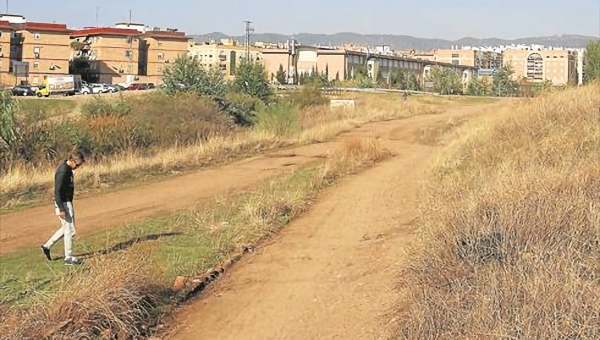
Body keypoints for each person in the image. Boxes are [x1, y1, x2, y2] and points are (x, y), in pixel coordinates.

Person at [41, 150, 86, 265]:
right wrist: (61, 208)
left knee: (66, 228)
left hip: (67, 202)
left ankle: (47, 246)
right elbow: (57, 191)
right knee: (70, 230)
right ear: (71, 160)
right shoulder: (63, 171)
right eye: (77, 164)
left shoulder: (69, 169)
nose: (78, 167)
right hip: (64, 203)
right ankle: (68, 258)